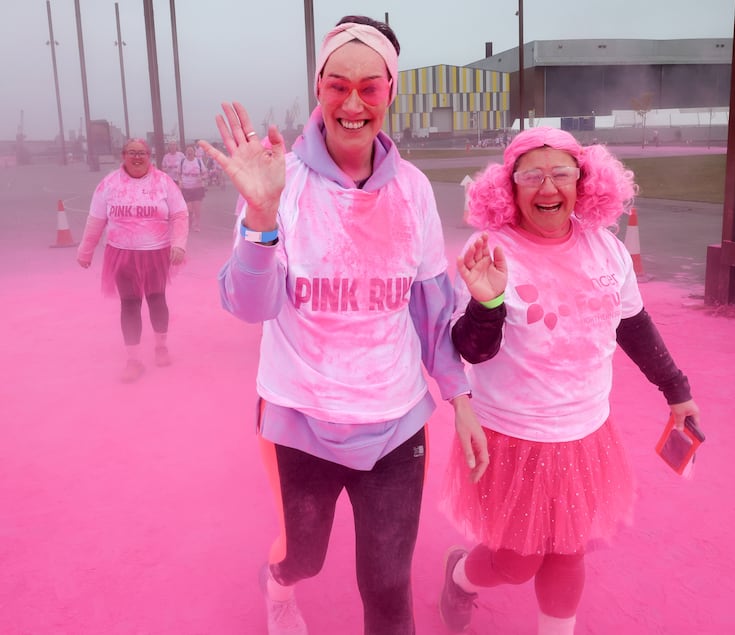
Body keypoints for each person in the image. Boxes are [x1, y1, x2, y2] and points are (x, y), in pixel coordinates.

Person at [200, 15, 488, 635]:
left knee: (388, 585)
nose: (352, 104)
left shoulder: (412, 191)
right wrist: (261, 215)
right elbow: (251, 305)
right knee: (303, 556)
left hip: (395, 423)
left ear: (390, 90)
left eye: (369, 87)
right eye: (337, 86)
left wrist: (459, 398)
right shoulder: (281, 186)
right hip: (301, 419)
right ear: (319, 91)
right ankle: (278, 585)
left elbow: (432, 311)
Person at [437, 127, 701, 634]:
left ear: (584, 182)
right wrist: (487, 302)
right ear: (508, 188)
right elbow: (471, 349)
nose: (548, 188)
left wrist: (677, 390)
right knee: (516, 562)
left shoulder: (606, 249)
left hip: (585, 435)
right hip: (512, 437)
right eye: (531, 176)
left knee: (567, 553)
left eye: (561, 173)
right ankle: (460, 575)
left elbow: (634, 326)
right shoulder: (491, 250)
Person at [76, 138, 188, 382]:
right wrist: (86, 250)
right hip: (121, 254)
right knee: (129, 304)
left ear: (149, 156)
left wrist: (179, 244)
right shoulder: (108, 184)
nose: (137, 157)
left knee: (157, 298)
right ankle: (133, 360)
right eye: (132, 153)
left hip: (156, 252)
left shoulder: (164, 183)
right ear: (123, 156)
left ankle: (160, 346)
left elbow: (180, 214)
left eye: (142, 153)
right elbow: (95, 219)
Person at [178, 144, 207, 231]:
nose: (189, 152)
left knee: (197, 209)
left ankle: (197, 225)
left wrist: (201, 178)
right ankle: (190, 220)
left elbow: (205, 173)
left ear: (194, 152)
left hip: (197, 188)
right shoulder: (182, 161)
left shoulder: (198, 161)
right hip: (186, 188)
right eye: (188, 151)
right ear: (186, 152)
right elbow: (178, 174)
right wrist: (180, 182)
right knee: (189, 209)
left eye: (191, 151)